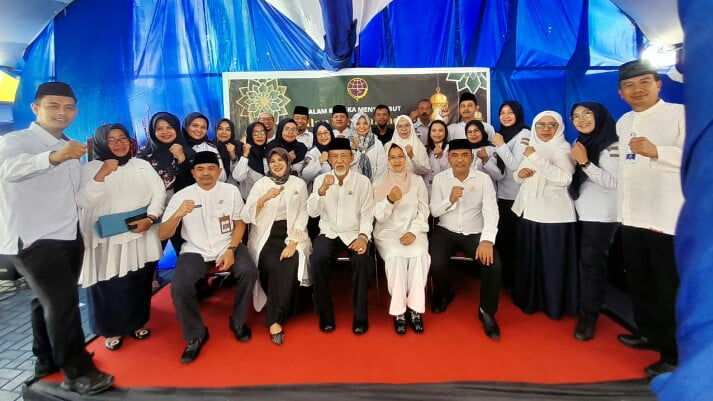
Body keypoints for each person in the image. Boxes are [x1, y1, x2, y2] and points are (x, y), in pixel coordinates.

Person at [0, 82, 113, 394]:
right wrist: (54, 156)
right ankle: (77, 372)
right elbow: (8, 170)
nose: (62, 112)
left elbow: (76, 197)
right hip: (34, 237)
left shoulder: (70, 147)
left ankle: (46, 360)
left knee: (46, 301)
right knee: (63, 304)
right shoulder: (15, 141)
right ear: (36, 108)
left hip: (68, 233)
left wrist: (98, 177)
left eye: (68, 107)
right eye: (53, 105)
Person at [614, 59, 685, 378]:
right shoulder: (624, 121)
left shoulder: (680, 115)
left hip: (665, 219)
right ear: (620, 93)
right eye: (629, 85)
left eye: (644, 82)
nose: (637, 90)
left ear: (659, 84)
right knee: (640, 283)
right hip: (632, 217)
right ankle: (649, 333)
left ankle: (674, 354)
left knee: (667, 288)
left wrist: (659, 152)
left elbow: (702, 155)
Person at [159, 151, 257, 363]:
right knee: (179, 287)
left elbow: (240, 223)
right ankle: (195, 334)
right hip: (195, 249)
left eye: (211, 168)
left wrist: (231, 249)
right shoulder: (181, 196)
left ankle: (238, 320)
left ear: (219, 171)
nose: (206, 173)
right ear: (193, 172)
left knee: (249, 272)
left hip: (227, 245)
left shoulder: (230, 191)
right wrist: (178, 214)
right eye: (200, 169)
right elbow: (162, 234)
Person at [76, 124, 166, 351]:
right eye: (112, 140)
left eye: (123, 138)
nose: (119, 144)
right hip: (106, 238)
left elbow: (159, 192)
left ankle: (137, 322)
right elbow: (82, 201)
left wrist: (151, 217)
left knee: (138, 280)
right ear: (101, 143)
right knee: (109, 282)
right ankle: (110, 328)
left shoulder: (141, 165)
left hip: (139, 232)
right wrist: (101, 175)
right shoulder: (89, 169)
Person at [428, 139, 503, 340]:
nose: (459, 160)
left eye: (464, 155)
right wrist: (450, 200)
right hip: (446, 230)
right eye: (455, 155)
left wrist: (487, 240)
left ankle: (487, 311)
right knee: (434, 262)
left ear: (471, 157)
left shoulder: (483, 179)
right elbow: (434, 211)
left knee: (493, 264)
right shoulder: (440, 179)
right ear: (448, 158)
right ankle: (445, 292)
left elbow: (491, 211)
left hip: (474, 232)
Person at [511, 111, 577, 320]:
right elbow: (518, 175)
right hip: (529, 211)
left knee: (551, 262)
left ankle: (553, 304)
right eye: (540, 125)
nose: (546, 129)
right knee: (531, 259)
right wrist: (520, 174)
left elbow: (565, 179)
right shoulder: (533, 145)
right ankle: (530, 300)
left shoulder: (562, 149)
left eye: (551, 125)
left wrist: (535, 158)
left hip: (553, 216)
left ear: (559, 128)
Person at [242, 147, 311, 345]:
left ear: (288, 163)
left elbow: (302, 213)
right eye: (272, 161)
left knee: (292, 259)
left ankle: (278, 314)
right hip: (266, 235)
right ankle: (275, 319)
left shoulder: (298, 183)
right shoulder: (261, 184)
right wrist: (264, 199)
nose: (277, 164)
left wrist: (293, 242)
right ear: (268, 165)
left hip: (291, 233)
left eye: (281, 160)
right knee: (271, 265)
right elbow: (246, 215)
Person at [307, 138, 374, 335]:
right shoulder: (321, 180)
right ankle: (325, 312)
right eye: (334, 156)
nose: (339, 160)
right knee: (317, 258)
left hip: (354, 232)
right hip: (329, 231)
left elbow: (367, 214)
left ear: (352, 158)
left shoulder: (362, 182)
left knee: (362, 260)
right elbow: (312, 213)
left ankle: (360, 315)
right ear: (329, 160)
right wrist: (321, 192)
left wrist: (363, 237)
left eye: (343, 156)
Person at [567, 102, 619, 341]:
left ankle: (588, 318)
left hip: (600, 215)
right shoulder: (582, 142)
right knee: (587, 264)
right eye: (576, 116)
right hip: (581, 212)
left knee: (591, 265)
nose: (581, 119)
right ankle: (588, 305)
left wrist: (585, 162)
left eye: (587, 114)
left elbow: (612, 182)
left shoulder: (611, 145)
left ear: (599, 116)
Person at [373, 144, 430, 335]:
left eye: (400, 156)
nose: (397, 160)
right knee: (396, 256)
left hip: (414, 230)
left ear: (406, 158)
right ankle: (398, 311)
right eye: (393, 157)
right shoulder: (379, 183)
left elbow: (423, 210)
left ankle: (415, 308)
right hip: (388, 233)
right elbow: (378, 216)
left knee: (419, 254)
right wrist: (389, 200)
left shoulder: (417, 181)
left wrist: (414, 231)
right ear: (387, 161)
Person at [490, 101, 531, 288]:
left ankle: (517, 283)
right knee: (503, 240)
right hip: (502, 195)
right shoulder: (503, 134)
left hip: (516, 196)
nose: (505, 116)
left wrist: (500, 145)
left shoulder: (524, 134)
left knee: (515, 243)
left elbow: (516, 166)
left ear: (518, 114)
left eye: (510, 112)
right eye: (502, 113)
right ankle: (505, 280)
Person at [182, 112, 227, 182]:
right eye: (195, 125)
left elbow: (222, 177)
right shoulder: (176, 146)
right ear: (186, 126)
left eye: (203, 127)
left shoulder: (210, 148)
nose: (199, 130)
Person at [349, 111, 387, 184]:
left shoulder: (377, 143)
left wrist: (373, 188)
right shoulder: (347, 143)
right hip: (353, 185)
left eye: (365, 123)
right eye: (358, 123)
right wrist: (353, 148)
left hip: (374, 185)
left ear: (369, 124)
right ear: (353, 125)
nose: (362, 126)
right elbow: (346, 166)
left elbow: (382, 168)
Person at [233, 121, 268, 198]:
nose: (260, 136)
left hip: (268, 199)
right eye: (255, 133)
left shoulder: (269, 151)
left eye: (263, 132)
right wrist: (245, 155)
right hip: (249, 201)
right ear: (249, 135)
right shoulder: (242, 152)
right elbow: (238, 177)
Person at [302, 121, 335, 187]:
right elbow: (305, 175)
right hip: (322, 189)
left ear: (331, 133)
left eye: (326, 132)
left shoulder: (338, 148)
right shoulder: (312, 153)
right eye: (319, 134)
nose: (323, 136)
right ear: (315, 136)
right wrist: (319, 161)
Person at [213, 118, 242, 186]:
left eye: (228, 129)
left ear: (232, 132)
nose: (224, 132)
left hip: (233, 187)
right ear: (216, 130)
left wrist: (233, 156)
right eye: (220, 129)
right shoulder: (209, 147)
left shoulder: (239, 147)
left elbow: (240, 175)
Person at [424, 120, 450, 194]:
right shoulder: (425, 149)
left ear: (445, 133)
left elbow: (451, 170)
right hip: (427, 188)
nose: (437, 133)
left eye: (440, 130)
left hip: (445, 187)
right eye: (434, 130)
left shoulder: (450, 148)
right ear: (430, 133)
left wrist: (441, 156)